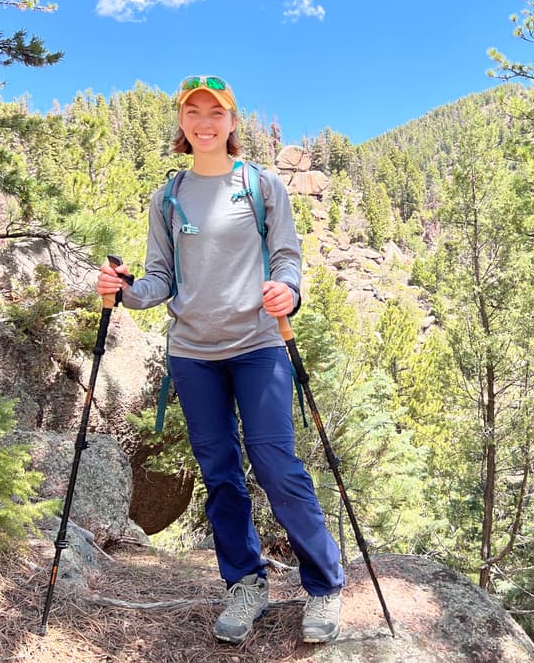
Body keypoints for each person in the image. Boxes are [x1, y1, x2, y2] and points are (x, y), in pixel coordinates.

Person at [96, 74, 344, 645]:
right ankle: (245, 584)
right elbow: (159, 278)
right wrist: (123, 291)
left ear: (233, 122)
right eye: (193, 112)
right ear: (182, 123)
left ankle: (324, 585)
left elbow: (286, 257)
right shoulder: (168, 197)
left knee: (277, 465)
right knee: (221, 475)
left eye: (216, 111)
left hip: (259, 345)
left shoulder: (262, 186)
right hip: (193, 354)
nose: (204, 121)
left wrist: (290, 291)